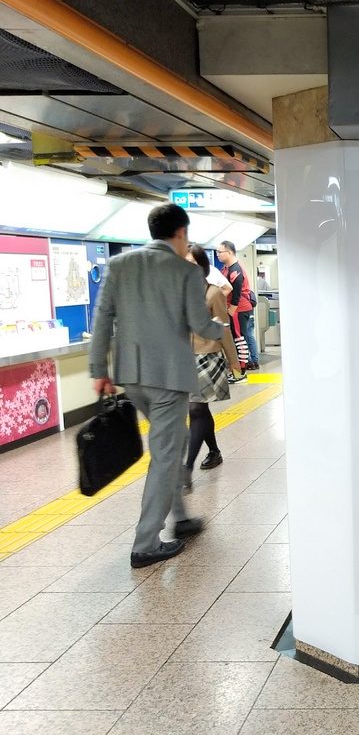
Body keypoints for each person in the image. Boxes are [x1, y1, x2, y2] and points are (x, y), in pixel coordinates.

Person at [90, 204, 227, 568]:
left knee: (172, 445)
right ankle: (146, 543)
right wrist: (222, 327)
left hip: (131, 375)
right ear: (181, 233)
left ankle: (180, 518)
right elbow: (200, 323)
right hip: (168, 377)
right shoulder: (185, 271)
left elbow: (102, 319)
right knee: (166, 455)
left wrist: (98, 370)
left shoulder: (119, 265)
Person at [184, 244, 240, 483]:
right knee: (201, 409)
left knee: (195, 409)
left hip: (208, 355)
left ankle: (187, 467)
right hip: (185, 357)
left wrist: (234, 361)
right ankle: (214, 451)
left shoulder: (213, 293)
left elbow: (224, 328)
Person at [217, 240, 260, 370]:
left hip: (238, 309)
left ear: (229, 252)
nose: (218, 254)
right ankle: (241, 366)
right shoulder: (226, 268)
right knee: (238, 337)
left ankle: (242, 368)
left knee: (240, 338)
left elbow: (236, 293)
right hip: (235, 309)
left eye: (220, 252)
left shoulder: (235, 270)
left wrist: (231, 310)